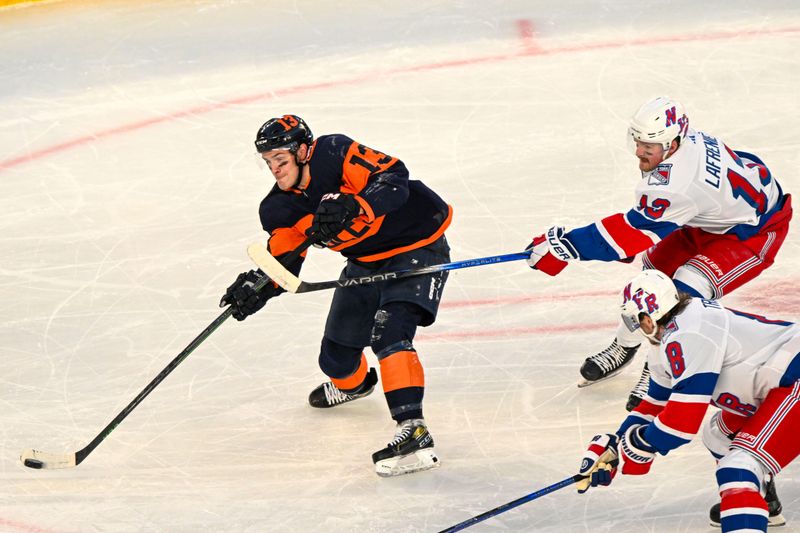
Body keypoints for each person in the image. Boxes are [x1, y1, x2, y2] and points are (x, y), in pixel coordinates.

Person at [219, 114, 453, 477]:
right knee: (336, 359)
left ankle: (414, 429)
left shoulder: (334, 152)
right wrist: (258, 287)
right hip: (364, 263)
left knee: (391, 333)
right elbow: (285, 264)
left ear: (303, 150)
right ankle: (356, 387)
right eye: (268, 163)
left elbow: (394, 178)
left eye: (280, 159)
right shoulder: (279, 208)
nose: (275, 170)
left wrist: (356, 205)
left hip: (418, 246)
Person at [524, 96, 792, 412]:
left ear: (673, 144)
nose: (639, 151)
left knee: (685, 294)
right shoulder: (683, 145)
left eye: (648, 146)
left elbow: (628, 235)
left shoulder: (677, 182)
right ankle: (624, 347)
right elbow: (640, 230)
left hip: (753, 234)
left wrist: (563, 246)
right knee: (653, 274)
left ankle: (658, 372)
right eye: (637, 141)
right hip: (712, 219)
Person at [575, 270, 794, 531]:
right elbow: (656, 402)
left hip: (793, 380)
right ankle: (759, 500)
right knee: (719, 434)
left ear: (647, 318)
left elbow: (681, 423)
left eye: (633, 320)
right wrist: (616, 444)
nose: (632, 327)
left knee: (738, 469)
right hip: (774, 387)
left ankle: (746, 496)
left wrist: (636, 445)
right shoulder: (666, 339)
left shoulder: (691, 331)